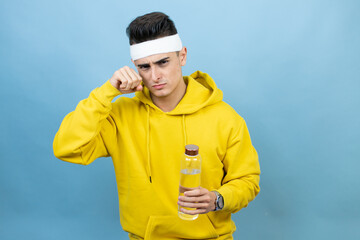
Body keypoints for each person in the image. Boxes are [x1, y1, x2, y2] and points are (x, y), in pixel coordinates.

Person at [53, 11, 260, 240]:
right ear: (134, 66)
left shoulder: (225, 118)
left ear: (182, 56)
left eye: (163, 62)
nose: (155, 76)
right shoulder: (120, 116)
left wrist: (218, 199)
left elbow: (247, 181)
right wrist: (106, 92)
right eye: (144, 67)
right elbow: (66, 148)